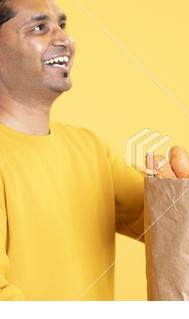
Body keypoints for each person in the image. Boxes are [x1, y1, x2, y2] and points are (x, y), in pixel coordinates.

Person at [0, 0, 145, 300]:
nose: (65, 40)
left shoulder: (90, 149)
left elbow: (170, 221)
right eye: (39, 27)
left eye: (62, 26)